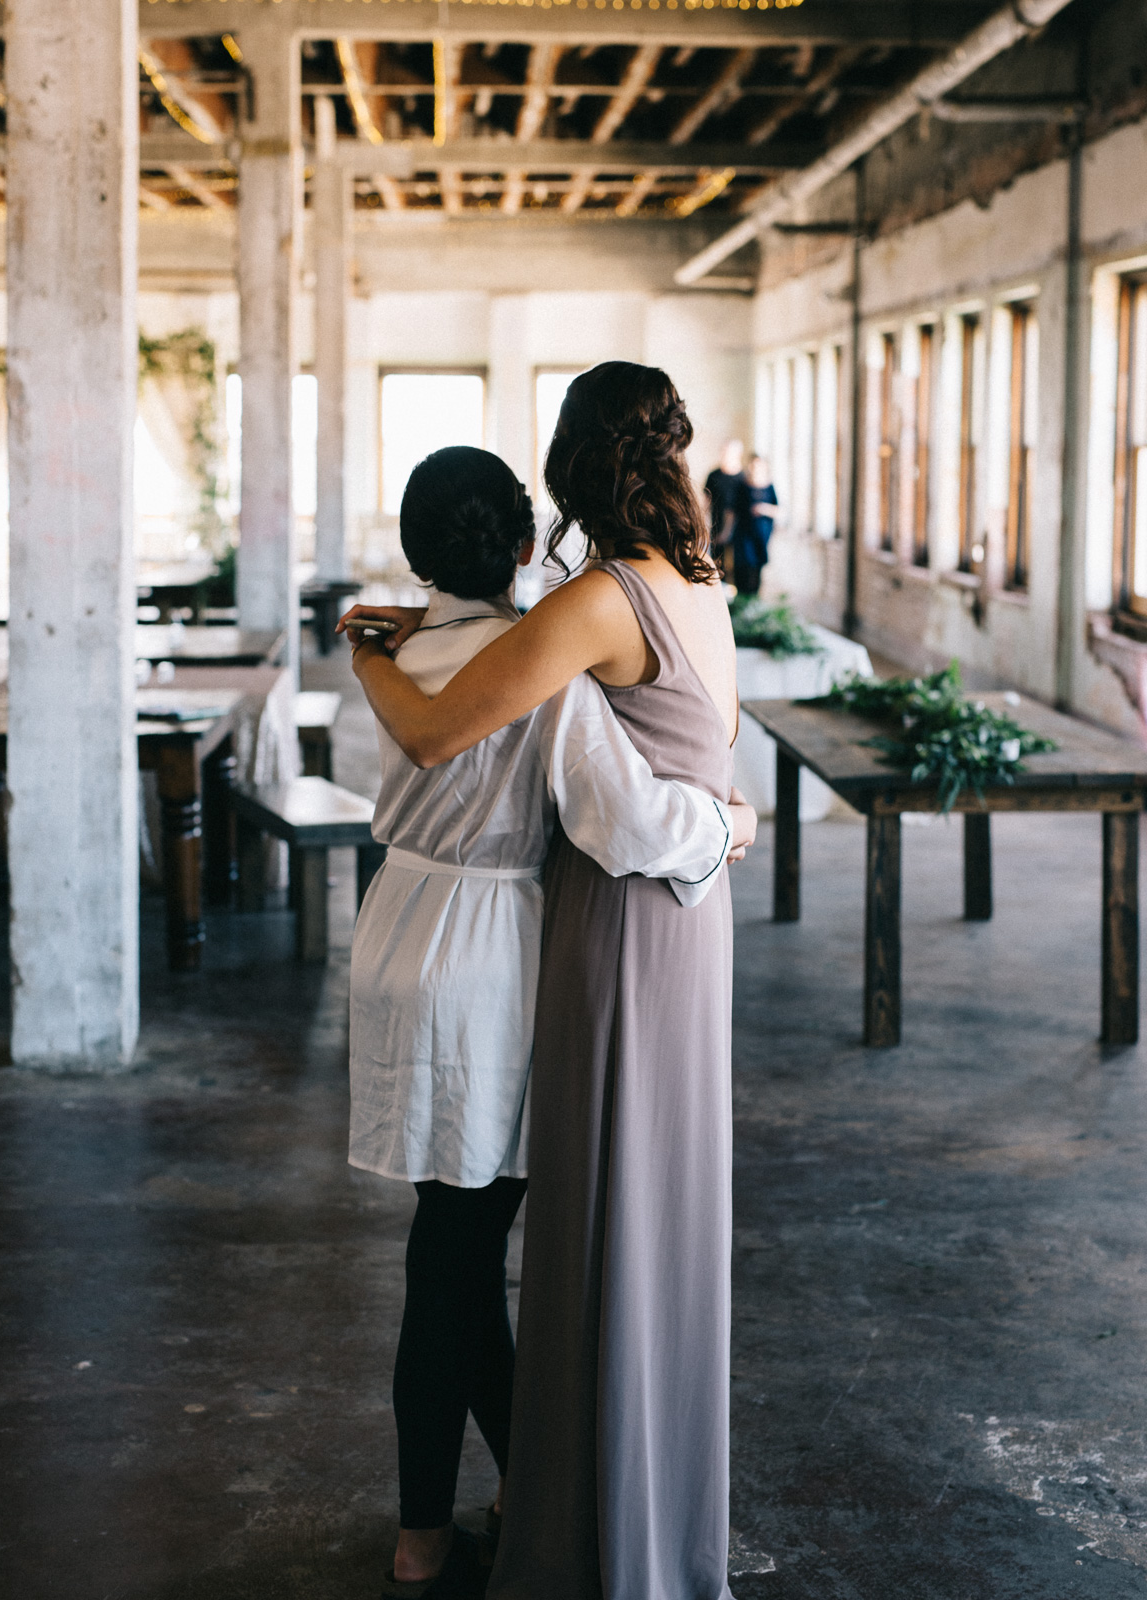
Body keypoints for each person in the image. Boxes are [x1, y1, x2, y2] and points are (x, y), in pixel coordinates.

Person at [341, 362, 755, 1600]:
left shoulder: (544, 620)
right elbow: (622, 807)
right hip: (538, 940)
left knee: (457, 1246)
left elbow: (436, 716)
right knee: (483, 1245)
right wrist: (731, 828)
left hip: (409, 931)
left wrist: (372, 643)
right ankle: (545, 1484)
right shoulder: (676, 595)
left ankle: (485, 1503)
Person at [730, 453, 779, 598]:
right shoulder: (742, 485)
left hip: (761, 535)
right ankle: (742, 600)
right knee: (743, 567)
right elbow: (732, 511)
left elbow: (778, 510)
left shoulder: (769, 486)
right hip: (744, 535)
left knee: (757, 570)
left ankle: (753, 600)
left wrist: (764, 508)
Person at [703, 439, 747, 579]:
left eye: (728, 452)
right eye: (723, 452)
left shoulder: (744, 478)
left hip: (739, 531)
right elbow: (705, 502)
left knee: (739, 567)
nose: (724, 455)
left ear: (738, 454)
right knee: (717, 566)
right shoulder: (714, 475)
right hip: (717, 527)